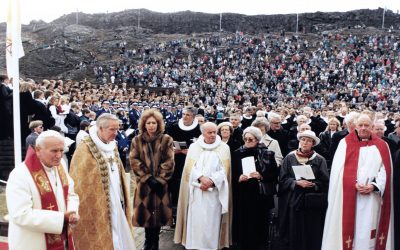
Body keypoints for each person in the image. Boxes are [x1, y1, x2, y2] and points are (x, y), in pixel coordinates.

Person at [322, 114, 393, 250]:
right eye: (360, 125)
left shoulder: (382, 145)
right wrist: (353, 183)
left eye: (367, 125)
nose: (363, 128)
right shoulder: (345, 144)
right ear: (355, 126)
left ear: (372, 127)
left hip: (373, 197)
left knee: (370, 229)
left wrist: (374, 186)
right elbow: (338, 172)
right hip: (349, 196)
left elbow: (385, 170)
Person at [69, 113, 135, 250]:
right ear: (100, 128)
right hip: (96, 203)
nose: (116, 133)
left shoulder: (112, 145)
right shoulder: (85, 147)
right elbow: (79, 179)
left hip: (117, 198)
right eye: (112, 129)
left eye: (117, 129)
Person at [6, 130, 80, 250]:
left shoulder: (60, 166)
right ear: (38, 150)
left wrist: (72, 212)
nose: (59, 155)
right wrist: (61, 219)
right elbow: (20, 214)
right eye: (54, 151)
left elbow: (71, 194)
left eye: (61, 150)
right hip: (33, 242)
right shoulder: (20, 175)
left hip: (63, 237)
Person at [174, 122, 231, 250]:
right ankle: (195, 245)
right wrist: (201, 178)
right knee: (197, 221)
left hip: (214, 192)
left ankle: (211, 246)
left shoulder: (223, 148)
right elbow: (189, 167)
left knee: (211, 223)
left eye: (214, 132)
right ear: (203, 133)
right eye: (209, 132)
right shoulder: (194, 147)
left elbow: (225, 170)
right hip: (197, 191)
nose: (212, 135)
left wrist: (211, 180)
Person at [129, 109, 175, 250]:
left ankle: (155, 243)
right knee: (146, 215)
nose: (151, 125)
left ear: (158, 124)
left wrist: (160, 179)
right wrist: (147, 178)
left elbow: (169, 161)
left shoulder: (166, 139)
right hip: (144, 185)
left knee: (158, 216)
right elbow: (134, 160)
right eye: (148, 123)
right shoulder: (136, 140)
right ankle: (148, 242)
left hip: (160, 186)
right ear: (143, 124)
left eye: (154, 123)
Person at [278, 130, 329, 250]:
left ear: (313, 143)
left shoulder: (319, 159)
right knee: (294, 229)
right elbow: (282, 180)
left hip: (312, 201)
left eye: (309, 141)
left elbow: (325, 182)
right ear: (299, 141)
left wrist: (313, 184)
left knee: (312, 230)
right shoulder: (289, 158)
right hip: (294, 199)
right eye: (303, 140)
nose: (305, 143)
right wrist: (295, 183)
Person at [231, 126, 278, 250]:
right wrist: (238, 177)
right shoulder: (237, 153)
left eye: (250, 139)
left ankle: (260, 244)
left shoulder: (267, 153)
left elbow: (274, 174)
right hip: (243, 192)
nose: (247, 141)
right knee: (244, 220)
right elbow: (232, 172)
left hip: (260, 193)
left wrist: (261, 175)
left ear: (257, 140)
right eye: (245, 139)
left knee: (260, 220)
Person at [166, 106, 201, 220]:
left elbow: (202, 147)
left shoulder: (199, 129)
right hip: (175, 161)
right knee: (174, 186)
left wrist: (191, 152)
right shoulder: (174, 127)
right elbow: (166, 142)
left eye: (188, 115)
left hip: (191, 163)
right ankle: (174, 213)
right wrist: (172, 149)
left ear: (193, 116)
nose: (185, 117)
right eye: (184, 114)